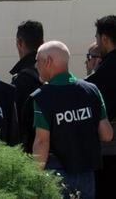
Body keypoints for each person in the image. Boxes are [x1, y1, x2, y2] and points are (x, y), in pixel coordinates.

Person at [32, 41, 113, 199]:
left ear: (48, 61)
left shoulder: (41, 97)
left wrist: (33, 178)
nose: (36, 66)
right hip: (87, 176)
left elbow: (42, 142)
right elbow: (107, 134)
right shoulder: (92, 90)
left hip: (56, 176)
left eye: (38, 60)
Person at [87, 16, 116, 198]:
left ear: (105, 38)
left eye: (97, 38)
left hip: (109, 151)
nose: (97, 44)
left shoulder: (104, 72)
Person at [11, 20, 43, 151]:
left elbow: (16, 122)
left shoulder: (20, 80)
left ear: (19, 43)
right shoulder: (52, 73)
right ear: (42, 43)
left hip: (30, 150)